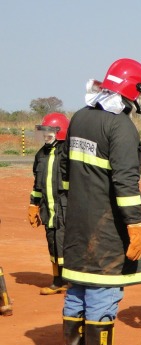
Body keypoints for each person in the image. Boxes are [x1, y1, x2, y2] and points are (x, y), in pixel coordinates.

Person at [60, 58, 141, 345]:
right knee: (104, 287)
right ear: (133, 91)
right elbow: (126, 184)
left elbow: (65, 173)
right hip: (106, 226)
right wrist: (135, 227)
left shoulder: (80, 118)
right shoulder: (121, 127)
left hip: (76, 222)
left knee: (78, 287)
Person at [28, 113, 70, 295]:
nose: (46, 136)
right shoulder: (41, 155)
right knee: (52, 244)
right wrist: (33, 205)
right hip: (48, 209)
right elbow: (37, 185)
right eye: (44, 132)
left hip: (66, 208)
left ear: (60, 133)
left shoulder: (68, 153)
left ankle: (72, 282)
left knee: (66, 244)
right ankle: (57, 281)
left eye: (49, 132)